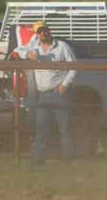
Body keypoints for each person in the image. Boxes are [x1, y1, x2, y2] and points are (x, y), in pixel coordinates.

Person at [15, 20, 77, 166]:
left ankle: (68, 160)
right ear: (36, 35)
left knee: (65, 128)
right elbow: (17, 50)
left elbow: (74, 66)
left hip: (60, 93)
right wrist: (27, 54)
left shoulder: (62, 46)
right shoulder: (34, 46)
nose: (43, 33)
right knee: (41, 128)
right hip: (43, 94)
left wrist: (65, 84)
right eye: (39, 31)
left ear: (49, 30)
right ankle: (37, 161)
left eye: (44, 30)